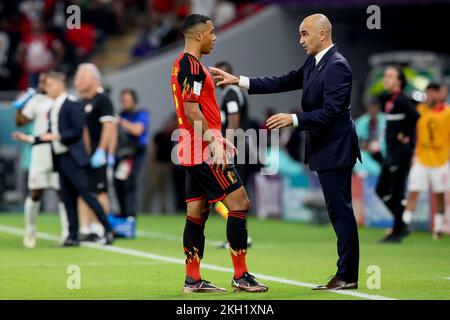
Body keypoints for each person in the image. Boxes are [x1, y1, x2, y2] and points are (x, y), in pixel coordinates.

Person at [210, 13, 361, 290]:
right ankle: (345, 272)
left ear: (322, 34)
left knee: (341, 211)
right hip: (325, 147)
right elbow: (283, 80)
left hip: (336, 147)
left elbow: (331, 112)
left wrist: (293, 120)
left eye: (305, 34)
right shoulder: (316, 63)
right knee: (337, 211)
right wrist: (239, 80)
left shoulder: (337, 65)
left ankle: (347, 275)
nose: (301, 39)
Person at [170, 14, 268, 293]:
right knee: (240, 203)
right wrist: (213, 142)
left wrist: (220, 139)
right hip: (202, 150)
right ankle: (241, 275)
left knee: (197, 212)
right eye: (212, 32)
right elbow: (191, 110)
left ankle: (193, 279)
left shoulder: (182, 65)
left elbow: (198, 110)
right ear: (198, 36)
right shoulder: (192, 67)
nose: (215, 37)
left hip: (193, 147)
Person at [38, 71, 114, 246]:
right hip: (68, 157)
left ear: (59, 84)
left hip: (80, 157)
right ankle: (78, 233)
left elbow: (101, 127)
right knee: (69, 197)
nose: (46, 89)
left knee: (91, 194)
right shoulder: (67, 104)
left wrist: (103, 151)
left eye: (49, 85)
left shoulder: (84, 102)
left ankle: (106, 229)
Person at [11, 72, 68, 248]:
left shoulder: (65, 100)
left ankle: (67, 232)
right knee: (36, 192)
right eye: (43, 82)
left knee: (62, 193)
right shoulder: (37, 101)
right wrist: (20, 105)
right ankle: (30, 230)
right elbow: (20, 122)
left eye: (48, 81)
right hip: (40, 153)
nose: (44, 84)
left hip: (59, 151)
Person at [375, 66, 419, 243]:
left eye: (391, 76)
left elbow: (415, 116)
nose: (386, 79)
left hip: (400, 153)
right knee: (381, 189)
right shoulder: (390, 100)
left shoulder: (401, 99)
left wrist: (406, 134)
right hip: (391, 153)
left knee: (398, 192)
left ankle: (397, 231)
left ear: (399, 81)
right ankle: (401, 224)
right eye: (385, 76)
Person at [74, 63, 117, 241]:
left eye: (82, 77)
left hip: (97, 155)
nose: (78, 81)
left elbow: (109, 126)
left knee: (100, 191)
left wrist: (102, 151)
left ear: (93, 78)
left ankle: (100, 227)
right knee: (83, 192)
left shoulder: (102, 99)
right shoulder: (81, 102)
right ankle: (85, 229)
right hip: (82, 155)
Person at [402, 83, 450, 240]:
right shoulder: (420, 110)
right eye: (427, 93)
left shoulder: (448, 113)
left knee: (439, 196)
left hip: (441, 161)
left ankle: (437, 229)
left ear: (439, 94)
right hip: (421, 159)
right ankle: (403, 226)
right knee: (413, 192)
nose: (429, 96)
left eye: (431, 93)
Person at [114, 89, 150, 217]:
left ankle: (130, 214)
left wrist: (121, 122)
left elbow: (137, 130)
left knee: (130, 184)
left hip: (136, 155)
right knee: (118, 183)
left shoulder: (141, 114)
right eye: (122, 100)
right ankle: (123, 212)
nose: (124, 103)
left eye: (127, 100)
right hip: (123, 155)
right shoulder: (122, 114)